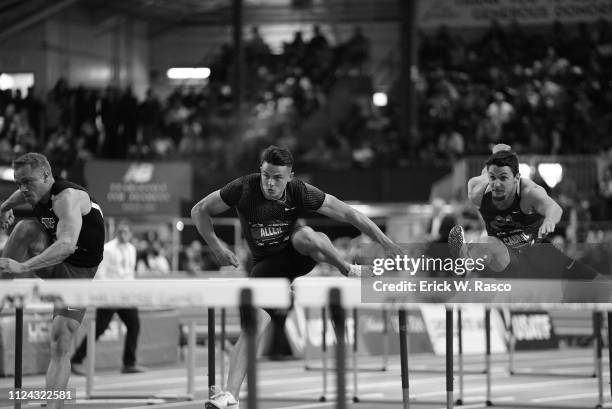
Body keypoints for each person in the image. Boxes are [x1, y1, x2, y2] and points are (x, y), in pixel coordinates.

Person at [191, 145, 401, 409]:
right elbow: (199, 210)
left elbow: (349, 213)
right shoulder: (243, 188)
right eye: (266, 175)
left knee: (308, 236)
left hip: (296, 255)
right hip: (266, 267)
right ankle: (230, 395)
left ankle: (348, 270)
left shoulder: (299, 191)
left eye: (278, 177)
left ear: (290, 176)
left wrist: (386, 242)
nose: (270, 183)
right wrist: (217, 247)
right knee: (251, 326)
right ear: (260, 171)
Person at [0, 152, 104, 409]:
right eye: (18, 183)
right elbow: (17, 196)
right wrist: (3, 207)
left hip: (78, 275)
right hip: (52, 262)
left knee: (60, 340)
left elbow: (67, 245)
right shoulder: (32, 191)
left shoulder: (66, 198)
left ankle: (53, 405)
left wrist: (23, 266)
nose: (23, 189)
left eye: (28, 182)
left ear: (47, 175)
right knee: (24, 229)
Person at [448, 144, 600, 280]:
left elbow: (554, 208)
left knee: (596, 282)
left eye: (503, 178)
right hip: (506, 256)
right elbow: (473, 188)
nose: (497, 184)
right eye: (493, 178)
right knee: (487, 242)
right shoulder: (479, 193)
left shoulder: (528, 192)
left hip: (538, 253)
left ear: (516, 178)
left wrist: (549, 220)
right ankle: (466, 265)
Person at [71, 221, 146, 375]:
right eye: (120, 231)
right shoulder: (108, 249)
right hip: (110, 295)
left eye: (125, 231)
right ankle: (76, 360)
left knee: (134, 325)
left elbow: (129, 273)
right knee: (99, 328)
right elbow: (101, 274)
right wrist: (104, 295)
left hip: (125, 296)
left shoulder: (132, 249)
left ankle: (129, 363)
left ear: (131, 233)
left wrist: (133, 293)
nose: (122, 234)